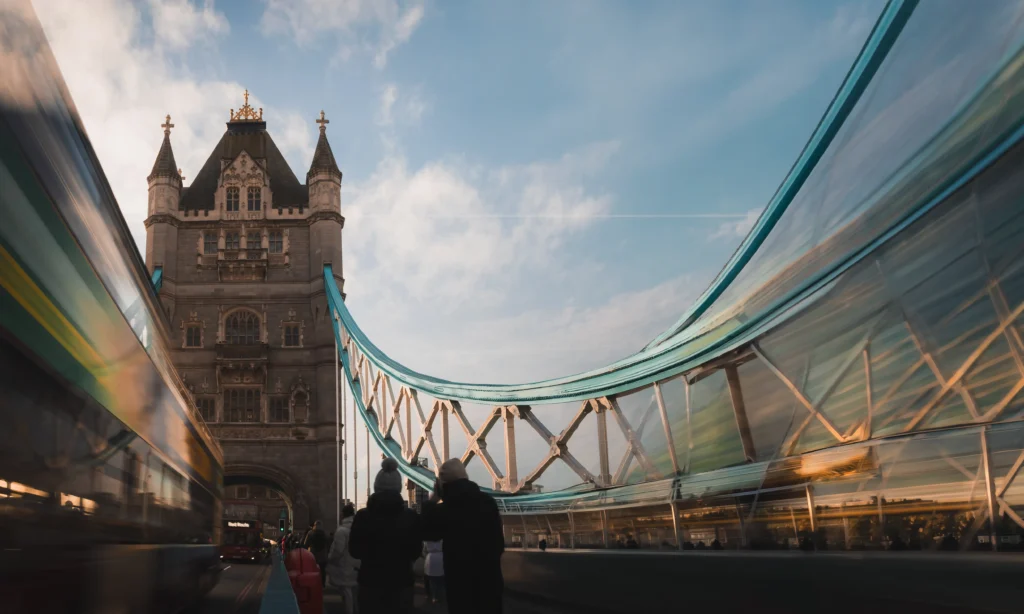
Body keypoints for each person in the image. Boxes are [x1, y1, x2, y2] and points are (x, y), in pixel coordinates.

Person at [422, 458, 504, 614]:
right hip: (490, 580)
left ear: (442, 486)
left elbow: (427, 532)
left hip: (460, 582)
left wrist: (432, 501)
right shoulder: (489, 502)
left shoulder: (444, 510)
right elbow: (499, 544)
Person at [349, 458, 422, 613]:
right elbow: (416, 551)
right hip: (402, 583)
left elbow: (354, 551)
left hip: (370, 582)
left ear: (376, 486)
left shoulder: (363, 516)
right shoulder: (410, 516)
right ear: (398, 487)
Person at [327, 504, 359, 614]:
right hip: (357, 565)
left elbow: (338, 551)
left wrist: (331, 559)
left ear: (343, 515)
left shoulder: (341, 531)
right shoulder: (358, 528)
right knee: (354, 592)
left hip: (345, 565)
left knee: (347, 592)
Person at [304, 520, 330, 586]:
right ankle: (322, 584)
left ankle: (313, 583)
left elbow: (305, 543)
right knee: (322, 570)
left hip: (312, 554)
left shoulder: (310, 533)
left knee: (312, 569)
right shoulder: (325, 533)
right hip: (323, 554)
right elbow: (329, 544)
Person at [423, 538, 444, 605]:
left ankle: (433, 596)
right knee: (440, 579)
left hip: (430, 559)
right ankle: (436, 596)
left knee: (431, 580)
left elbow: (424, 551)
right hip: (440, 559)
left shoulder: (427, 541)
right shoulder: (441, 540)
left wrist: (426, 556)